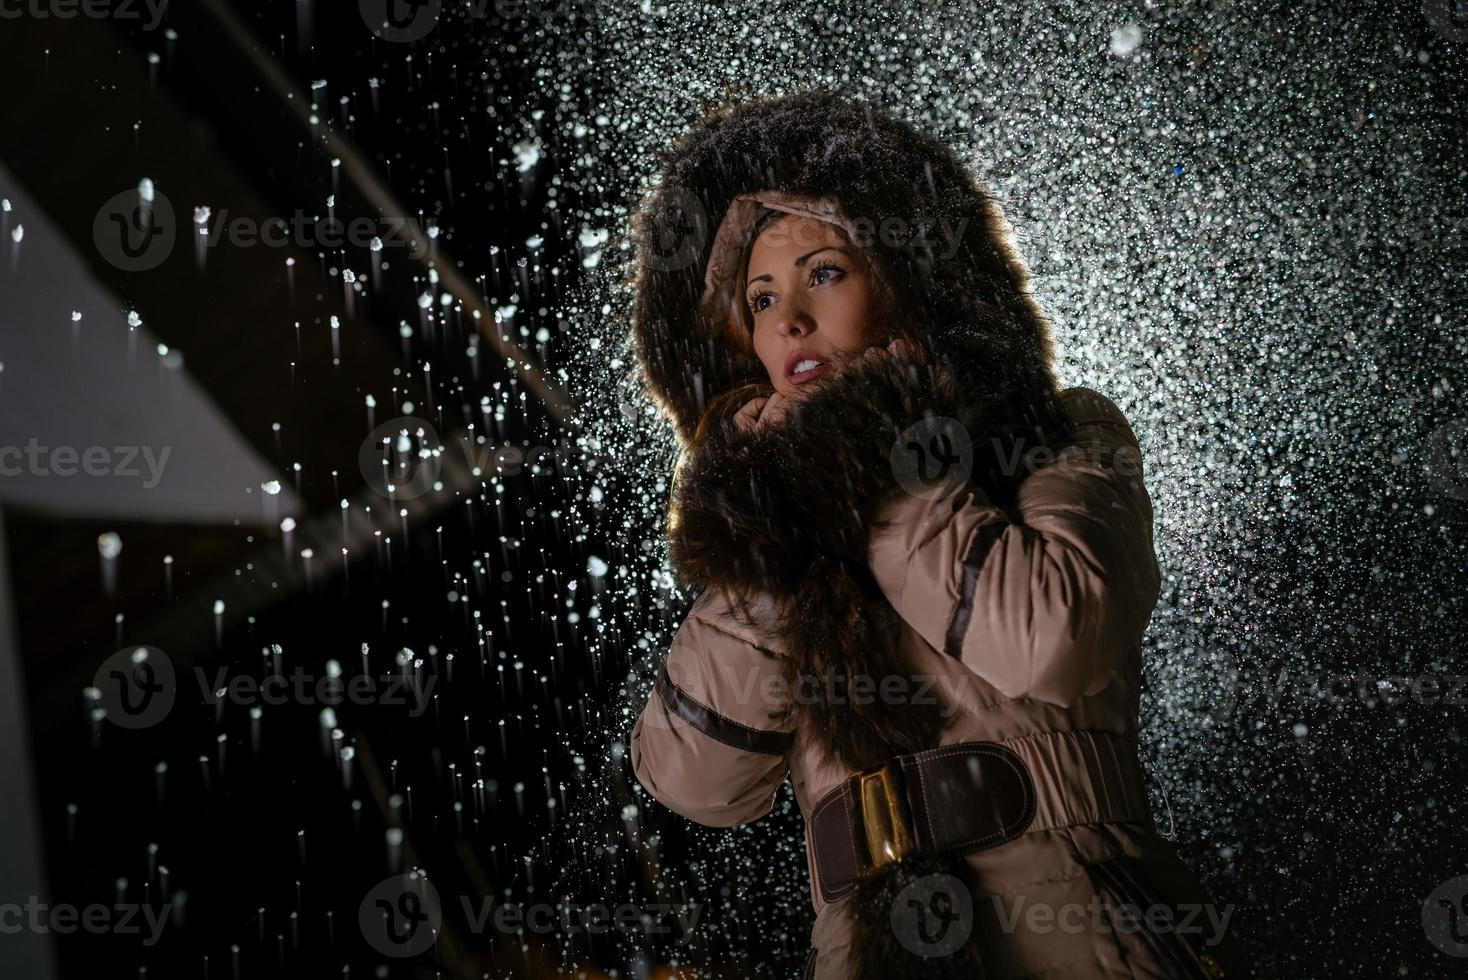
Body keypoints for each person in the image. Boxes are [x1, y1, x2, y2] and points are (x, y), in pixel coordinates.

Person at [627, 89, 1246, 980]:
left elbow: (1054, 634)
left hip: (1080, 930)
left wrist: (874, 460)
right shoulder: (776, 505)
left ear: (911, 282)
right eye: (760, 298)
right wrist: (766, 518)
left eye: (824, 273)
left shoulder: (1060, 434)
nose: (789, 319)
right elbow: (696, 781)